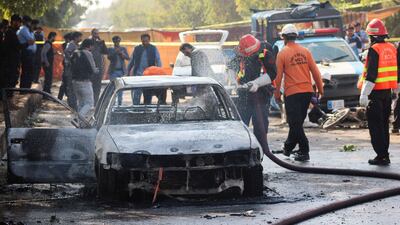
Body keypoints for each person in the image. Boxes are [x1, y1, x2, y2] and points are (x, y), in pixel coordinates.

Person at [274, 24, 324, 161]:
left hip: (292, 93)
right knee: (296, 123)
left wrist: (276, 93)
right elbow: (316, 72)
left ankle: (304, 150)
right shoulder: (305, 51)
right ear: (295, 36)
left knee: (295, 124)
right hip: (307, 92)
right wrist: (320, 89)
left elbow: (278, 77)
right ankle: (288, 148)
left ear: (283, 37)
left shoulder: (282, 53)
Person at [357, 19, 399, 165]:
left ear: (371, 36)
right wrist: (396, 91)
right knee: (384, 125)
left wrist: (364, 94)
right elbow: (396, 71)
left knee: (375, 126)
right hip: (387, 93)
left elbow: (371, 75)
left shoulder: (374, 50)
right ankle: (384, 154)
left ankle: (381, 155)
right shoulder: (392, 48)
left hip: (375, 94)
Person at [235, 34, 277, 154]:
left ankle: (260, 151)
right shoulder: (239, 52)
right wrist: (235, 82)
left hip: (261, 96)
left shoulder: (264, 53)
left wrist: (257, 83)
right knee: (241, 126)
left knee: (260, 126)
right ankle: (241, 151)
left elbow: (273, 73)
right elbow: (232, 67)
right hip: (243, 97)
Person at [127, 33, 162, 104]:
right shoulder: (137, 49)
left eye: (146, 41)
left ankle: (147, 107)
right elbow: (131, 61)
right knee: (136, 93)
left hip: (149, 75)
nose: (145, 43)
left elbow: (158, 60)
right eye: (143, 41)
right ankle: (135, 108)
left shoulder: (153, 48)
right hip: (138, 74)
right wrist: (128, 72)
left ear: (149, 40)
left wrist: (159, 72)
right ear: (141, 40)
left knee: (148, 93)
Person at [71, 39, 99, 118]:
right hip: (84, 82)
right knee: (89, 103)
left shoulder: (76, 52)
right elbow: (93, 69)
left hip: (75, 81)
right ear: (90, 46)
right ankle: (77, 118)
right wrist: (97, 70)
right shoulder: (88, 53)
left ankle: (80, 123)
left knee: (81, 103)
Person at [107, 35, 129, 105]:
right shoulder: (111, 49)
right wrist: (115, 52)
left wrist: (122, 54)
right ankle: (112, 104)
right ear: (113, 41)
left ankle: (120, 104)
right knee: (113, 88)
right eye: (116, 41)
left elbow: (128, 58)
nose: (117, 42)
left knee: (120, 88)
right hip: (113, 71)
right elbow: (109, 57)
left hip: (121, 71)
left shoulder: (123, 49)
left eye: (118, 41)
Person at [89, 28, 108, 105]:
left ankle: (95, 102)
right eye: (95, 33)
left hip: (99, 67)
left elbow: (106, 52)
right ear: (92, 34)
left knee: (97, 85)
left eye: (97, 34)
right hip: (90, 68)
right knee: (90, 85)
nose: (96, 35)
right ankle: (90, 102)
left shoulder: (100, 43)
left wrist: (102, 43)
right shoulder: (88, 42)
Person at [64, 31, 82, 109]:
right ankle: (72, 105)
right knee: (71, 87)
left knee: (73, 87)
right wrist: (72, 59)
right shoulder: (71, 44)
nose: (80, 39)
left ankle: (73, 104)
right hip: (70, 69)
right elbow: (67, 52)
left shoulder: (76, 45)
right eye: (79, 37)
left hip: (74, 69)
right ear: (76, 37)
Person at [3, 15, 22, 92]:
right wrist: (26, 44)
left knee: (13, 80)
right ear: (13, 22)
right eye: (17, 22)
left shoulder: (13, 32)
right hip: (10, 63)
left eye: (20, 22)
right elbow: (16, 46)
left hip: (13, 62)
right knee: (10, 82)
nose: (19, 24)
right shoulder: (10, 33)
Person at [17, 15, 36, 88]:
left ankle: (27, 87)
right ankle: (24, 88)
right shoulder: (24, 29)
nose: (30, 24)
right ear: (26, 22)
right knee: (26, 71)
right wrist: (32, 40)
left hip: (29, 53)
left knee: (29, 70)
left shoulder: (28, 30)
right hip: (26, 52)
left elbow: (32, 41)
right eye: (29, 22)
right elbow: (31, 40)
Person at [58, 32, 73, 100]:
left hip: (68, 65)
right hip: (67, 65)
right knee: (65, 81)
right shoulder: (66, 45)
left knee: (67, 81)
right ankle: (61, 97)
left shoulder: (69, 44)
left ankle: (64, 96)